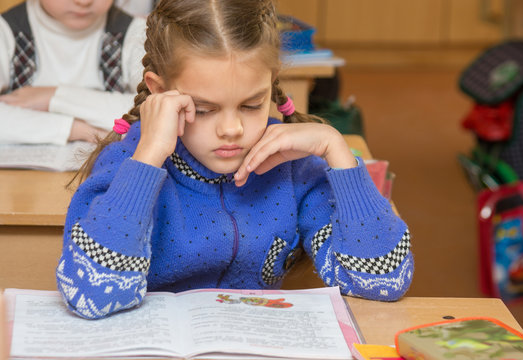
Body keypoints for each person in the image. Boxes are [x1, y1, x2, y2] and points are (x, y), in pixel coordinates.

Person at [56, 0, 414, 319]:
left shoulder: (294, 166)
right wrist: (148, 158)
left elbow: (381, 280)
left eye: (251, 105)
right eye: (204, 109)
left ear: (271, 84)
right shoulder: (127, 163)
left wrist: (335, 150)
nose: (231, 129)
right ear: (159, 91)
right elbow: (92, 297)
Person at [0, 0, 146, 144]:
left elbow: (152, 109)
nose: (84, 2)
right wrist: (77, 129)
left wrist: (53, 97)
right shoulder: (5, 30)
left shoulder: (137, 33)